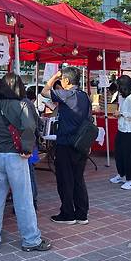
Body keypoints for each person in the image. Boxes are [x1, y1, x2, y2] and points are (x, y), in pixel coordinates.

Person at [0, 73, 51, 252]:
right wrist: (27, 149)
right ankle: (31, 239)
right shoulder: (22, 105)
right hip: (16, 157)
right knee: (23, 199)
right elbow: (30, 127)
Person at [41, 67, 91, 224]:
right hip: (81, 143)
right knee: (78, 179)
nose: (60, 82)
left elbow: (44, 92)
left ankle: (68, 213)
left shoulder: (67, 94)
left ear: (67, 81)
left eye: (61, 79)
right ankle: (82, 213)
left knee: (65, 179)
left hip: (65, 143)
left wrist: (53, 77)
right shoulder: (85, 96)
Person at [110, 75, 131, 190]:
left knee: (129, 155)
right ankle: (122, 174)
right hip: (123, 129)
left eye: (119, 86)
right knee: (119, 153)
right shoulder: (124, 97)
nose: (118, 88)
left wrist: (121, 114)